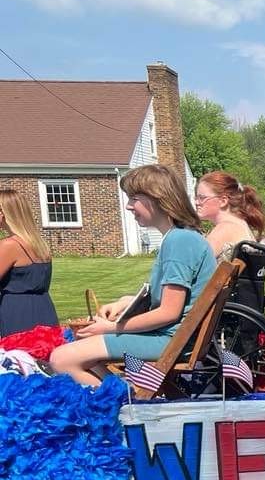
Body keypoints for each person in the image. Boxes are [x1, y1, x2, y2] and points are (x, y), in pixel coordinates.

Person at [50, 165, 215, 386]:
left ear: (158, 198)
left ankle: (123, 401)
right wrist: (124, 302)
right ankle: (126, 395)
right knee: (82, 355)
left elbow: (169, 312)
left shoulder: (179, 241)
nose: (128, 206)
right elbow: (167, 298)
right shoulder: (182, 237)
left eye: (134, 199)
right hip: (173, 337)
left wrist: (111, 328)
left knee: (61, 358)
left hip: (171, 341)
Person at [0, 189, 57, 336]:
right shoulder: (40, 244)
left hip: (17, 312)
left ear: (3, 213)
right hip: (44, 308)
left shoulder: (9, 245)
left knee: (18, 350)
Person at [196, 171, 265, 262]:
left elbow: (193, 264)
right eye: (196, 197)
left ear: (223, 201)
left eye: (202, 198)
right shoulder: (239, 223)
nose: (196, 202)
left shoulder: (226, 228)